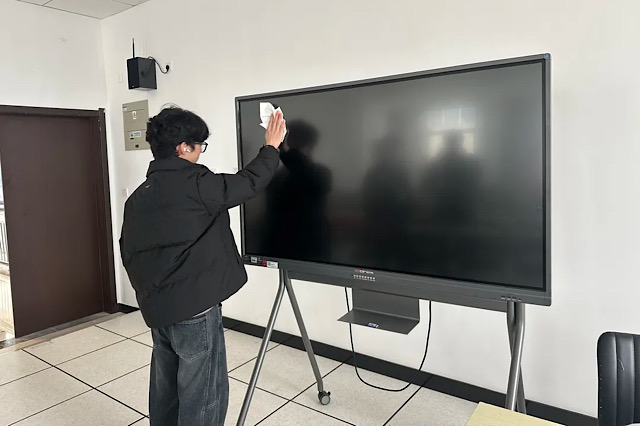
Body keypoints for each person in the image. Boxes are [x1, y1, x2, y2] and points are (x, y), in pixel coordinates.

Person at [119, 105, 286, 426]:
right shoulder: (195, 183)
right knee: (204, 393)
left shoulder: (138, 197)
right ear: (183, 148)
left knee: (166, 388)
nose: (200, 153)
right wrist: (271, 147)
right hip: (194, 311)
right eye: (199, 146)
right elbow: (248, 183)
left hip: (159, 311)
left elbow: (128, 251)